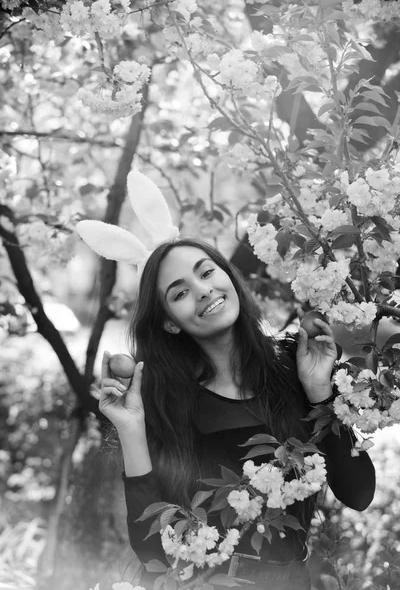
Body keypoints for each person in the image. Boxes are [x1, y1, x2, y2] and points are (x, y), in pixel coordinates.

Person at [99, 238, 376, 590]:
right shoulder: (164, 406)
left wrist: (321, 393)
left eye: (207, 272)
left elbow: (359, 493)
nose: (202, 290)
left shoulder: (295, 366)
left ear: (228, 276)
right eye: (179, 293)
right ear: (169, 324)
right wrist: (130, 428)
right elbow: (152, 551)